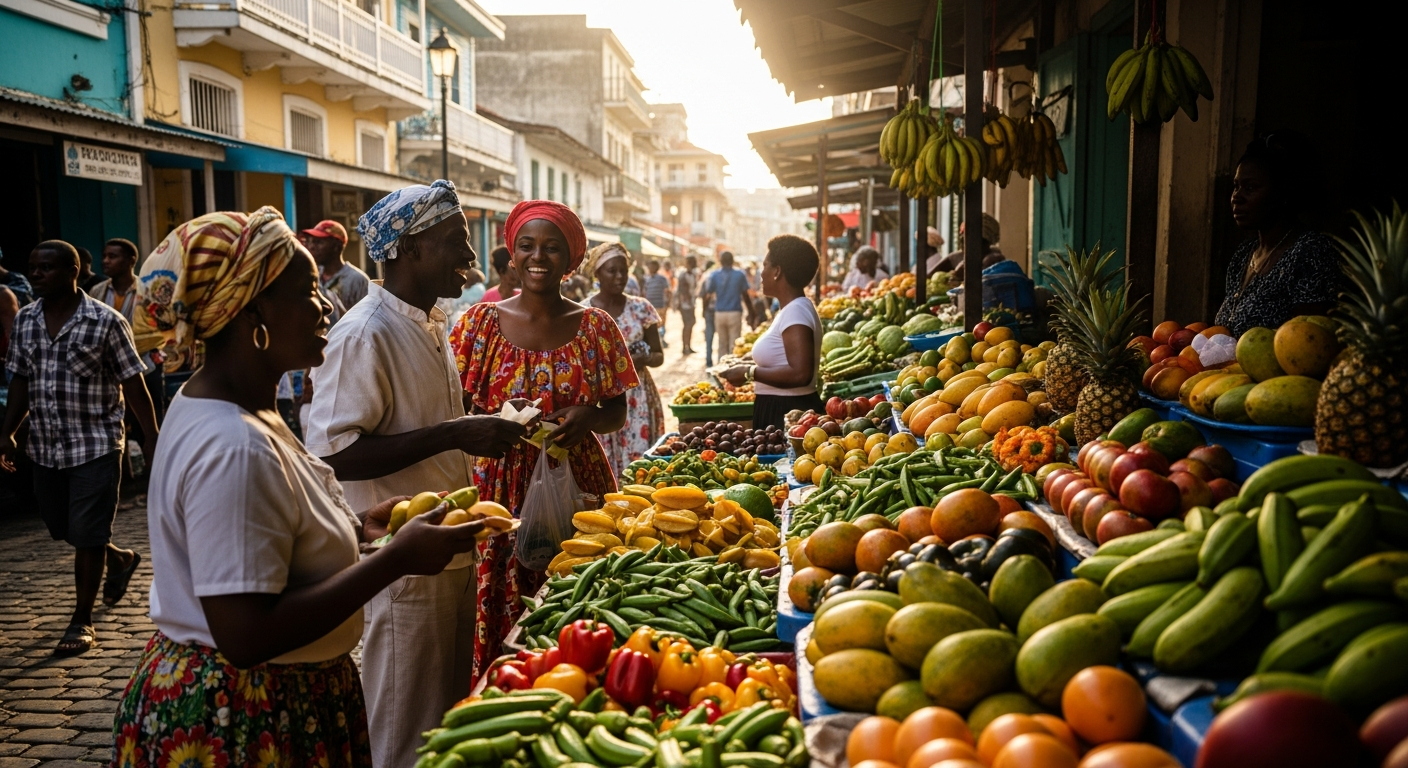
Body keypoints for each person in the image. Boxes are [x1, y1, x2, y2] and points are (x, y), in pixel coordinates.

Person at [111, 207, 484, 768]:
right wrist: (395, 560)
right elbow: (247, 635)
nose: (327, 305)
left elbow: (266, 543)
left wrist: (360, 530)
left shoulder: (236, 405)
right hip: (241, 717)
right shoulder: (232, 444)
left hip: (278, 700)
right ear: (252, 310)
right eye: (308, 291)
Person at [304, 180, 529, 768]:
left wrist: (473, 432)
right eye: (456, 241)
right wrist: (458, 432)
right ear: (410, 249)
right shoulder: (365, 333)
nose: (472, 258)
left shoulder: (429, 322)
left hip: (445, 549)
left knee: (444, 721)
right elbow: (335, 453)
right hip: (402, 562)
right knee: (406, 728)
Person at [448, 199, 637, 680]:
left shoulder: (597, 327)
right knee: (500, 601)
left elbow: (618, 410)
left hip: (576, 480)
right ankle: (503, 692)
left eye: (552, 248)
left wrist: (588, 417)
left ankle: (579, 686)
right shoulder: (478, 325)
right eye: (527, 246)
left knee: (578, 596)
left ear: (571, 259)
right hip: (498, 491)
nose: (538, 257)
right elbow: (455, 412)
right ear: (511, 253)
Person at [0, 240, 158, 655]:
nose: (36, 274)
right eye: (33, 267)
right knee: (62, 527)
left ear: (73, 271)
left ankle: (81, 620)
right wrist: (8, 432)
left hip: (97, 444)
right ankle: (120, 558)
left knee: (87, 533)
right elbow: (19, 379)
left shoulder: (105, 321)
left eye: (46, 268)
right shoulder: (26, 320)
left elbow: (133, 382)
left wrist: (152, 436)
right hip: (46, 445)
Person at [1214, 133, 1341, 336]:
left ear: (1283, 193)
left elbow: (1308, 342)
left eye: (1250, 188)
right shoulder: (1244, 255)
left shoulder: (1311, 252)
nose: (1237, 197)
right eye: (1236, 187)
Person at [720, 235, 823, 430]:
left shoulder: (796, 311)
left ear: (777, 271)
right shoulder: (791, 309)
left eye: (765, 265)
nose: (761, 273)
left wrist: (749, 372)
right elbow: (782, 359)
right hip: (784, 409)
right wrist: (747, 362)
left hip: (788, 412)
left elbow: (801, 373)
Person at [582, 243, 665, 475]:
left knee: (641, 468)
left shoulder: (641, 308)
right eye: (612, 271)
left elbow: (659, 356)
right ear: (597, 273)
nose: (620, 277)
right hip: (601, 400)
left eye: (624, 271)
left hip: (637, 398)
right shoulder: (583, 313)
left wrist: (642, 358)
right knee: (604, 463)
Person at [89, 237, 168, 435]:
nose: (105, 261)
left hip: (145, 365)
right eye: (105, 256)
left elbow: (161, 328)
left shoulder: (148, 291)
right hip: (107, 369)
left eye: (112, 256)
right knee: (116, 425)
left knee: (149, 422)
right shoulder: (96, 291)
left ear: (131, 261)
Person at [302, 219, 370, 311]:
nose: (312, 247)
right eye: (311, 242)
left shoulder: (357, 280)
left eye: (319, 242)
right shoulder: (312, 275)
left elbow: (366, 316)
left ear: (336, 246)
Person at [702, 251, 751, 364]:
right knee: (734, 345)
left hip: (719, 313)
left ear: (720, 261)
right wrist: (751, 312)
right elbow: (745, 295)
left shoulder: (714, 275)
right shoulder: (740, 274)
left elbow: (708, 295)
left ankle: (722, 370)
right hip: (734, 312)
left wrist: (704, 311)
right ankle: (733, 370)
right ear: (733, 261)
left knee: (722, 344)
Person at [929, 214, 1004, 280]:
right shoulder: (957, 257)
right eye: (962, 236)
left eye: (971, 238)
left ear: (986, 242)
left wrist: (958, 276)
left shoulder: (993, 259)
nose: (963, 242)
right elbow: (928, 276)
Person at [643, 259, 671, 347]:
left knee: (661, 324)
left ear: (656, 267)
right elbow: (645, 292)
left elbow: (668, 292)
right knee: (652, 326)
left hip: (660, 306)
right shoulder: (647, 279)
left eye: (652, 266)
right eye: (649, 266)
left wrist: (667, 304)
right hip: (650, 308)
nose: (650, 268)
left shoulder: (662, 279)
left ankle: (662, 340)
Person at [674, 255, 699, 354]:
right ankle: (685, 347)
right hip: (685, 304)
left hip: (690, 303)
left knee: (690, 324)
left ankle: (688, 345)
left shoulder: (692, 274)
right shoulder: (683, 275)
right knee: (687, 324)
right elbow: (683, 291)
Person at [700, 260, 717, 366]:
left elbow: (704, 296)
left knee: (709, 336)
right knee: (723, 339)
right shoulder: (718, 276)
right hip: (720, 310)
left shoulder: (706, 277)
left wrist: (703, 309)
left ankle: (709, 360)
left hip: (710, 310)